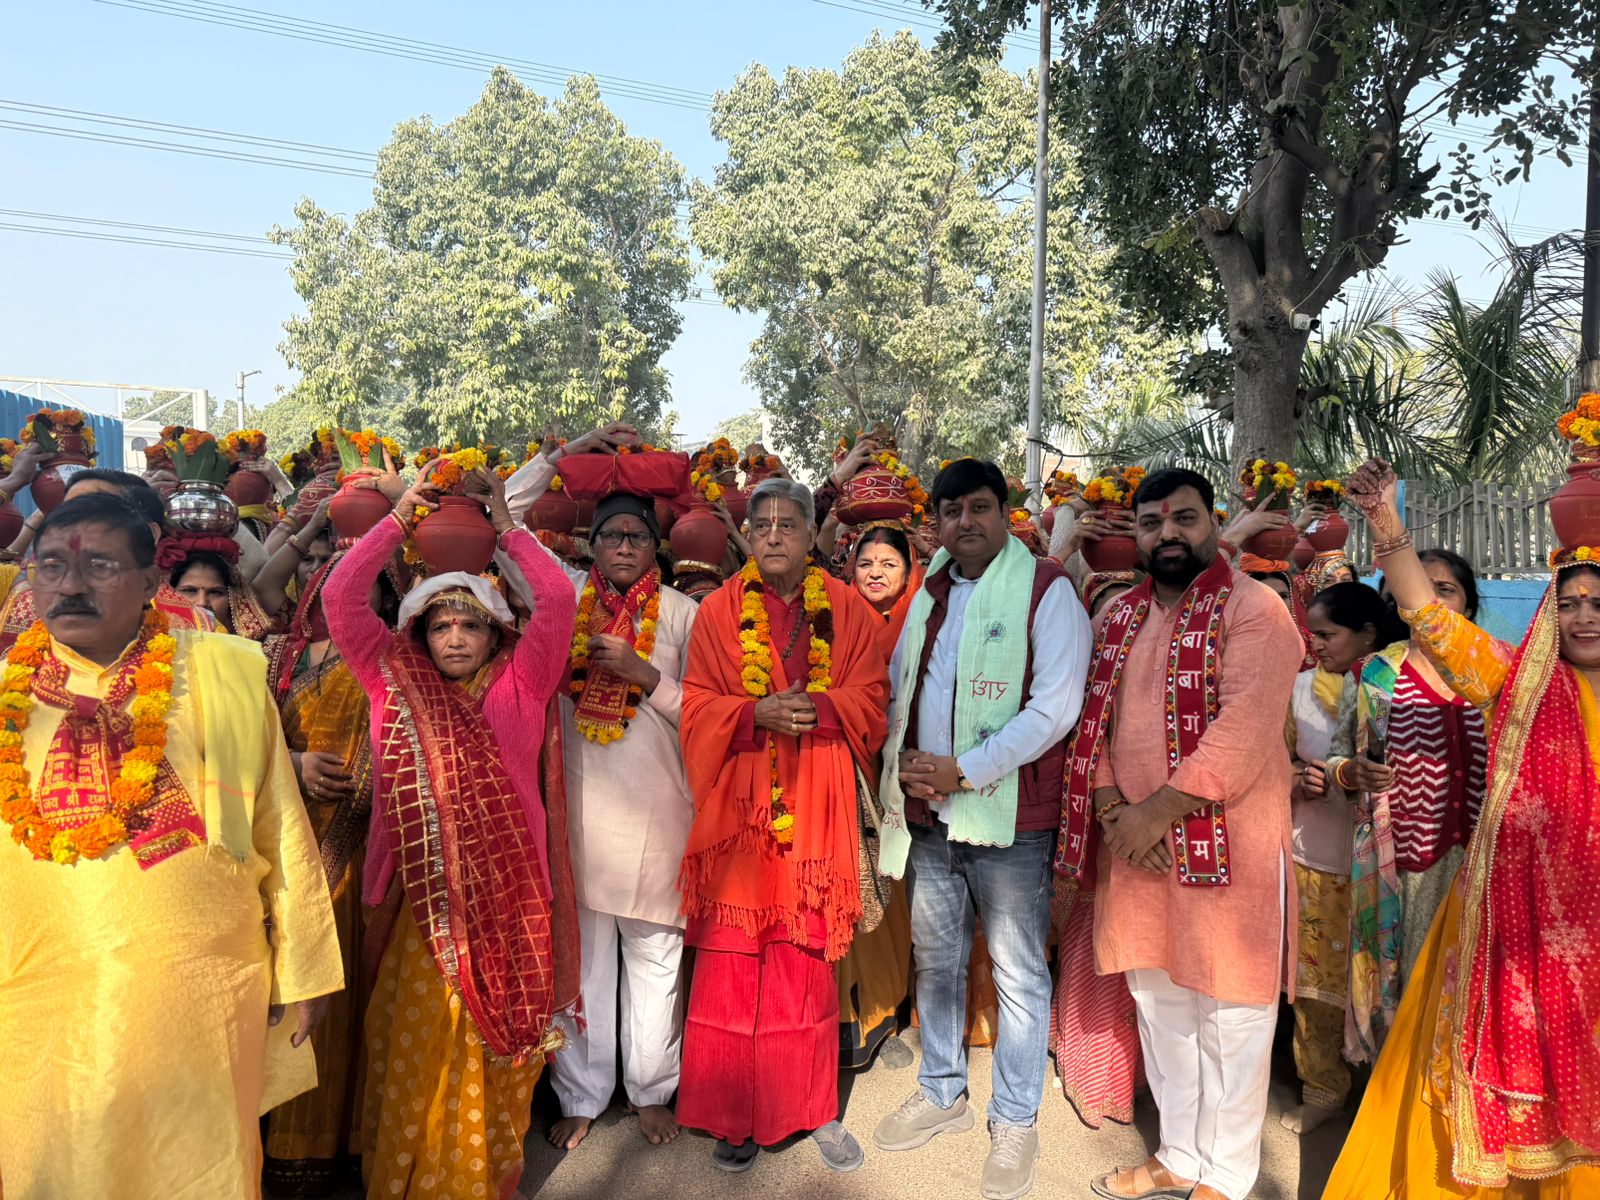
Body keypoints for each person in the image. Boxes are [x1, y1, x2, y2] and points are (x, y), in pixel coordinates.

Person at [0, 493, 343, 1198]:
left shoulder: (225, 670)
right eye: (52, 567)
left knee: (197, 1164)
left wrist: (305, 965)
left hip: (197, 983)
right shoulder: (7, 692)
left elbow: (280, 819)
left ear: (153, 581)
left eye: (98, 566)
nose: (69, 586)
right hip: (37, 983)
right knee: (54, 1157)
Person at [1323, 459, 1600, 1198]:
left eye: (1597, 602)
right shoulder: (1514, 682)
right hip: (1511, 926)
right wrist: (1385, 521)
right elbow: (1430, 617)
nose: (1583, 615)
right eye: (1568, 602)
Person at [325, 465, 581, 1200]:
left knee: (496, 1052)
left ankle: (479, 1178)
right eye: (440, 623)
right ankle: (411, 1177)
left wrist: (508, 529)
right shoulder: (389, 678)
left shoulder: (524, 680)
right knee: (416, 1045)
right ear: (418, 631)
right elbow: (343, 596)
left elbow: (558, 597)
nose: (456, 636)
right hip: (423, 905)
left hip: (508, 897)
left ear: (495, 630)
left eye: (471, 623)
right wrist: (400, 520)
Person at [1058, 467, 1303, 1200]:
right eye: (1152, 523)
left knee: (1230, 1015)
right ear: (1134, 534)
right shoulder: (1116, 616)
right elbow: (1090, 723)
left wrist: (1150, 816)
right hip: (1138, 848)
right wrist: (1112, 811)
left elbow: (1243, 732)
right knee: (1161, 1006)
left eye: (1185, 519)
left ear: (1211, 522)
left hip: (1230, 848)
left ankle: (1226, 1176)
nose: (1167, 534)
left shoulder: (1256, 611)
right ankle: (1180, 1156)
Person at [875, 457, 1093, 1200]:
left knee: (1017, 973)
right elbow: (908, 686)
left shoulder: (1045, 586)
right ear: (934, 521)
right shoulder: (928, 589)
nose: (964, 522)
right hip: (932, 815)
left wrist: (963, 771)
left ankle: (1014, 1119)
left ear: (1005, 513)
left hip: (1008, 818)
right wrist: (910, 762)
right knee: (935, 964)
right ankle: (942, 1094)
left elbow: (1055, 708)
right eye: (951, 511)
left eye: (978, 508)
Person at [676, 477, 889, 1174]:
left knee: (804, 959)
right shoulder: (717, 613)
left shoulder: (850, 610)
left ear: (811, 533)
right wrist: (752, 715)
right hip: (739, 811)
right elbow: (696, 706)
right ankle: (732, 1115)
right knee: (734, 961)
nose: (772, 533)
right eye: (760, 523)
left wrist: (820, 712)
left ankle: (811, 1107)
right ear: (746, 535)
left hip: (816, 798)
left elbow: (872, 696)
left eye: (787, 524)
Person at [540, 484, 698, 1154]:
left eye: (637, 535)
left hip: (659, 813)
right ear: (592, 546)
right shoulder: (563, 604)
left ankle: (652, 1092)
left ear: (654, 546)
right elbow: (509, 529)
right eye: (612, 535)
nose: (625, 545)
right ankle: (580, 1096)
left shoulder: (686, 614)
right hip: (579, 814)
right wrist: (562, 454)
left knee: (656, 960)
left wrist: (645, 676)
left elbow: (711, 714)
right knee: (582, 967)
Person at [261, 548, 399, 1197]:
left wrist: (332, 855)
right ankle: (265, 1144)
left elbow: (380, 757)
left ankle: (325, 1146)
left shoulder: (383, 660)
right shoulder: (277, 656)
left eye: (359, 581)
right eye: (319, 566)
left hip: (342, 851)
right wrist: (290, 760)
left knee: (331, 997)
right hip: (272, 847)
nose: (328, 579)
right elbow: (242, 746)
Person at [1328, 546, 1487, 1061]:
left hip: (1486, 859)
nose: (1433, 601)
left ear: (1467, 604)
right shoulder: (1374, 675)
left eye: (1447, 589)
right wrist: (1351, 771)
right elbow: (1336, 758)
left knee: (1477, 989)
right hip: (1404, 867)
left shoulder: (1494, 670)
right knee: (1412, 982)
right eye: (1422, 589)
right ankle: (1397, 1105)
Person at [1281, 582, 1407, 1136]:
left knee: (1388, 983)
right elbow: (1271, 765)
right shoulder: (1299, 690)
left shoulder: (1405, 692)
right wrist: (1298, 779)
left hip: (1387, 867)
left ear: (1368, 635)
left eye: (1329, 634)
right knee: (1314, 985)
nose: (1318, 645)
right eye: (1313, 634)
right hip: (1315, 859)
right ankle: (1324, 1087)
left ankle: (1388, 1096)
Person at [835, 522, 923, 1072]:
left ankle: (889, 1007)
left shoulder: (924, 620)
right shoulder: (835, 616)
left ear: (910, 569)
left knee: (895, 887)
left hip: (905, 778)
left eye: (889, 563)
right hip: (846, 770)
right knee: (851, 883)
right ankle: (850, 1018)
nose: (875, 573)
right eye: (866, 563)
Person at [0, 469, 219, 650]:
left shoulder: (201, 631)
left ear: (149, 534)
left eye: (97, 513)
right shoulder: (15, 591)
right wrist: (11, 483)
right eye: (67, 513)